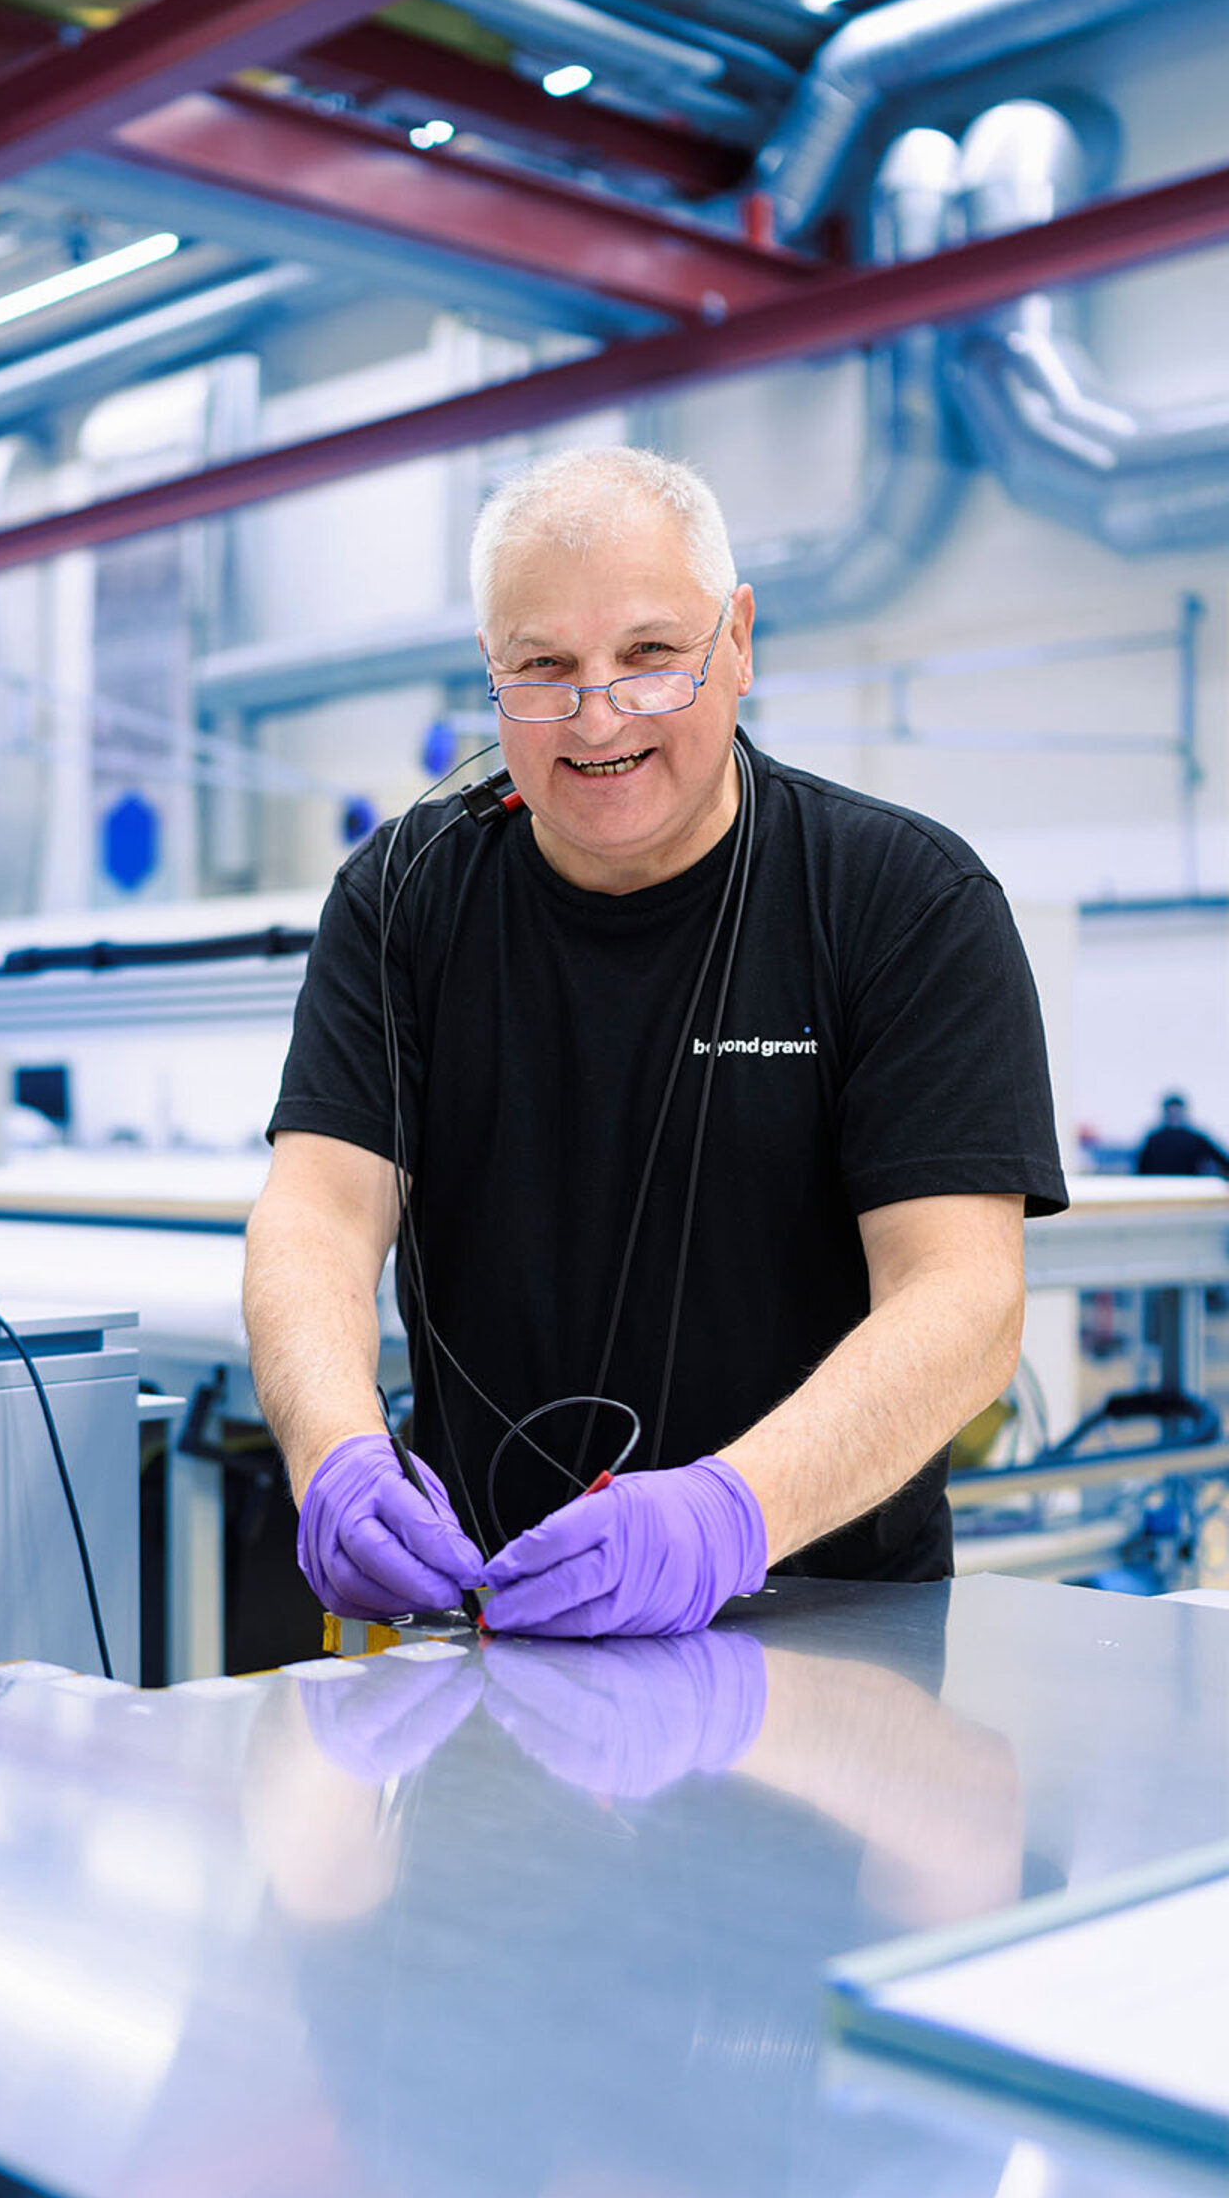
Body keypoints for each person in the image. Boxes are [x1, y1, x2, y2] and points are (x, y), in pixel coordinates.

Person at [243, 446, 1067, 1640]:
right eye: (545, 669)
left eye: (649, 659)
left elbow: (964, 1298)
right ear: (491, 674)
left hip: (824, 1631)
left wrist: (731, 1515)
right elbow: (318, 1209)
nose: (597, 719)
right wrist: (335, 1455)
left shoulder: (901, 898)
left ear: (735, 642)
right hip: (493, 1623)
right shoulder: (403, 897)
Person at [1134, 1094, 1229, 1180]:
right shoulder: (1154, 1139)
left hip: (1188, 1187)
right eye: (1172, 1110)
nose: (1174, 1113)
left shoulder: (1194, 1138)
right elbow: (1142, 1167)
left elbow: (1220, 1158)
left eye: (1176, 1110)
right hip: (1161, 1187)